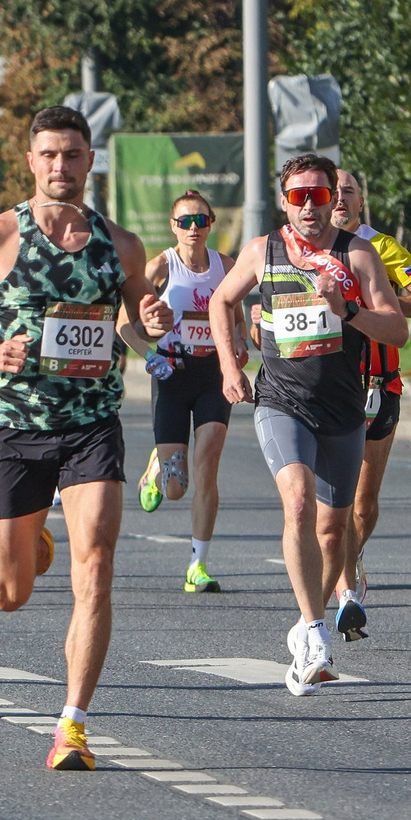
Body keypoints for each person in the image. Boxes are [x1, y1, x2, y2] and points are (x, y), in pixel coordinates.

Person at [0, 108, 170, 771]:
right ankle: (32, 538)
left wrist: (152, 319)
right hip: (13, 425)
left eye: (73, 154)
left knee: (96, 567)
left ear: (91, 162)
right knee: (9, 592)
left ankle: (73, 723)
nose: (61, 166)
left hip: (91, 423)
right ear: (31, 161)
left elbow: (135, 328)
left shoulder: (120, 246)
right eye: (49, 155)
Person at [208, 154, 410, 696]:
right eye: (298, 197)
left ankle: (305, 624)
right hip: (280, 400)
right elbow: (222, 301)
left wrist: (346, 309)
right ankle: (316, 630)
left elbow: (397, 331)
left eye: (318, 196)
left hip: (343, 407)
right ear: (284, 202)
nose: (309, 206)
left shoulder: (359, 254)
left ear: (332, 200)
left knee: (332, 530)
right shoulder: (263, 251)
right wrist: (231, 366)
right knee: (297, 500)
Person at [326, 169, 411, 627]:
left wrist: (387, 305)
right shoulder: (304, 248)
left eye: (348, 192)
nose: (338, 199)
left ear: (362, 201)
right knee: (328, 496)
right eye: (330, 192)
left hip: (379, 386)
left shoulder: (384, 248)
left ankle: (350, 560)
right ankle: (344, 592)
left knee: (363, 500)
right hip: (326, 387)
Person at [127, 191, 234, 593]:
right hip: (172, 372)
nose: (193, 228)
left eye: (200, 221)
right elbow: (125, 325)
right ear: (173, 226)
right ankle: (157, 471)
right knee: (176, 490)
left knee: (208, 464)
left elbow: (235, 311)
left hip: (213, 374)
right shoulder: (159, 266)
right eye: (185, 221)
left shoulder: (226, 265)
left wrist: (238, 343)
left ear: (211, 223)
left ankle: (198, 565)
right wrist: (148, 354)